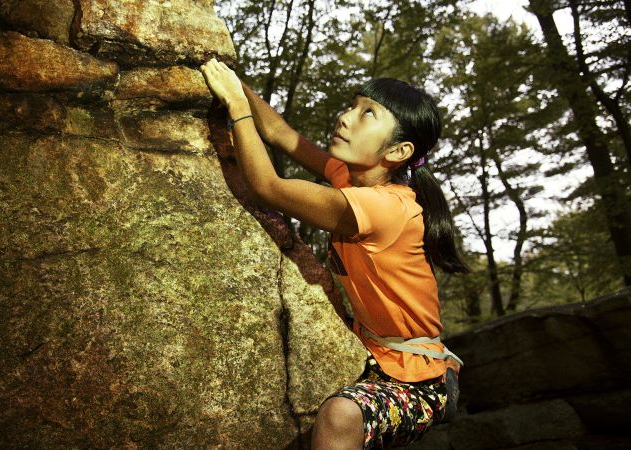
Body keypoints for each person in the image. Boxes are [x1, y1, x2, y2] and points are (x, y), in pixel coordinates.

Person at [199, 58, 468, 449]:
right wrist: (230, 77)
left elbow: (268, 187)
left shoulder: (385, 208)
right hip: (372, 353)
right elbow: (279, 133)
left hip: (417, 380)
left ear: (398, 151)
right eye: (352, 106)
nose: (346, 118)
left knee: (340, 415)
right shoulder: (350, 177)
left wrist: (237, 108)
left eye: (367, 114)